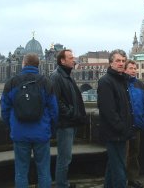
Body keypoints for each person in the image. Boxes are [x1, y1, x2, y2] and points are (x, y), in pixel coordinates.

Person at [1, 53, 58, 188]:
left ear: (24, 64)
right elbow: (54, 111)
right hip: (41, 133)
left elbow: (5, 110)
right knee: (44, 171)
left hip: (20, 133)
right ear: (38, 65)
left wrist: (12, 126)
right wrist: (50, 129)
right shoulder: (46, 82)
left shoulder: (12, 82)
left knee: (21, 172)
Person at [50, 49, 87, 188]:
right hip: (65, 123)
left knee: (66, 157)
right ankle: (62, 184)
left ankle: (63, 183)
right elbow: (55, 100)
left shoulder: (66, 75)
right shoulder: (56, 76)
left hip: (70, 122)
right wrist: (70, 112)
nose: (74, 60)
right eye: (71, 57)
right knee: (64, 158)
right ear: (62, 60)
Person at [97, 49, 134, 188]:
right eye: (118, 61)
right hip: (115, 133)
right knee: (119, 169)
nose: (121, 63)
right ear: (111, 63)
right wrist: (122, 128)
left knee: (113, 167)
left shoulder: (121, 80)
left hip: (120, 132)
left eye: (123, 61)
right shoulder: (106, 81)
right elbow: (109, 111)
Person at [125, 60, 144, 188]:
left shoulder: (140, 84)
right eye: (131, 68)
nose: (134, 70)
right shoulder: (122, 84)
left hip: (137, 124)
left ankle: (132, 178)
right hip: (125, 126)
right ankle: (122, 178)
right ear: (125, 70)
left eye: (135, 68)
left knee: (134, 152)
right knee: (124, 154)